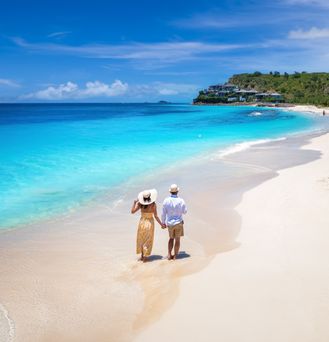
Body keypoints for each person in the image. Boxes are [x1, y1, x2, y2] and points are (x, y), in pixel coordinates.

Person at [131, 189, 164, 262]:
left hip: (142, 222)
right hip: (150, 223)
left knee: (141, 239)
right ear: (150, 197)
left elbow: (132, 212)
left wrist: (134, 203)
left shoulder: (140, 204)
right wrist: (161, 224)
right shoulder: (153, 205)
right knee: (148, 240)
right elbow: (156, 216)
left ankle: (142, 256)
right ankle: (145, 258)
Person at [161, 184, 187, 260]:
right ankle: (175, 256)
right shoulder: (181, 200)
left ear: (170, 192)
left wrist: (163, 223)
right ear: (177, 191)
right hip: (178, 222)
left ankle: (169, 254)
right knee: (177, 239)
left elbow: (163, 213)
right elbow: (185, 211)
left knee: (171, 238)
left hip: (170, 223)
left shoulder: (166, 200)